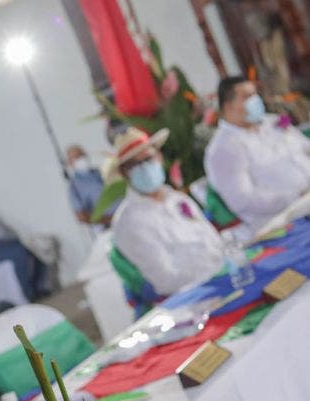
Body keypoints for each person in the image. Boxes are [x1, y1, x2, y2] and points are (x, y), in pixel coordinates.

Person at [111, 127, 224, 296]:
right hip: (192, 295)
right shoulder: (128, 222)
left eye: (148, 159)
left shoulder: (178, 199)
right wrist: (215, 271)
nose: (145, 168)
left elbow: (213, 240)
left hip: (221, 274)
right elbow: (165, 280)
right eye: (135, 165)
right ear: (124, 173)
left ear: (159, 157)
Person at [205, 75, 310, 233]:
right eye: (248, 97)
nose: (256, 100)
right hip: (286, 223)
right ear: (228, 106)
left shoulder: (271, 122)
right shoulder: (223, 148)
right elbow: (243, 200)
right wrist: (296, 196)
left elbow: (305, 148)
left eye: (255, 94)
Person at [65, 144, 111, 227]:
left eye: (83, 155)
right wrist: (109, 219)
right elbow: (81, 216)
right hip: (108, 227)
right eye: (77, 157)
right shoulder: (75, 187)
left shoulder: (101, 171)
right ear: (70, 163)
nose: (82, 159)